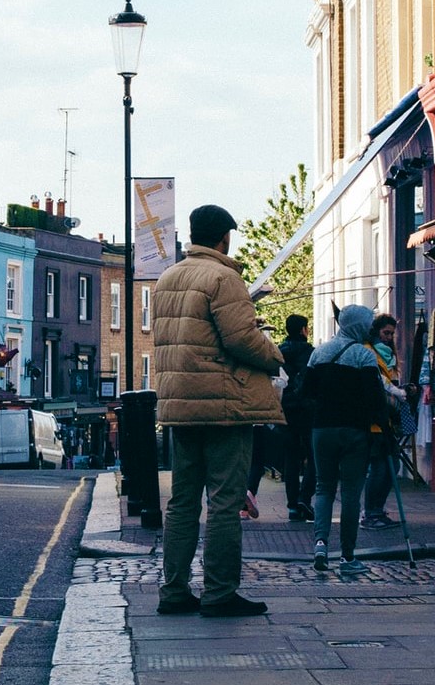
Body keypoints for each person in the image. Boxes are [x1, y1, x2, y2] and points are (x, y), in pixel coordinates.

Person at [153, 204, 286, 619]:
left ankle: (174, 590)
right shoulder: (223, 277)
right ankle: (219, 592)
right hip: (223, 405)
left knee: (182, 501)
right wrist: (275, 354)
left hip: (179, 403)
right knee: (225, 502)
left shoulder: (167, 277)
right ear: (225, 237)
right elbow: (241, 339)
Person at [307, 304, 389, 577]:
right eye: (367, 323)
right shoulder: (363, 356)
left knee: (323, 488)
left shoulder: (319, 353)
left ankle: (320, 543)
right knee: (352, 492)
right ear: (358, 326)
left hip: (322, 429)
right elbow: (376, 399)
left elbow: (305, 390)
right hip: (354, 431)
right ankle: (347, 555)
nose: (369, 328)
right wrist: (385, 430)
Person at [359, 314, 407, 528]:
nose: (388, 338)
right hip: (374, 419)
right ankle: (371, 512)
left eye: (391, 334)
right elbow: (380, 381)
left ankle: (376, 509)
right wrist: (395, 391)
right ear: (376, 331)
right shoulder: (369, 351)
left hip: (386, 418)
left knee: (391, 465)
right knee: (381, 466)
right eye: (385, 333)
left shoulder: (388, 355)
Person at [278, 313, 316, 520]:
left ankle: (292, 504)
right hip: (307, 409)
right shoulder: (311, 353)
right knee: (313, 457)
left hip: (286, 408)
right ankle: (305, 497)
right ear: (303, 329)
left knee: (291, 458)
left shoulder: (279, 352)